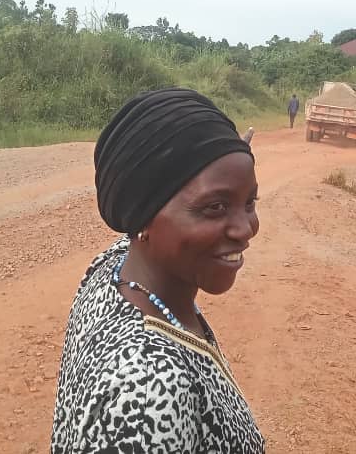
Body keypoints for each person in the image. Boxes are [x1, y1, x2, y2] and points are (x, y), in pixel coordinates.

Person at [51, 87, 264, 453]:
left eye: (249, 201)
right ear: (143, 217)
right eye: (215, 207)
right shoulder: (148, 395)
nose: (245, 229)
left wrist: (225, 159)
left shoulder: (117, 269)